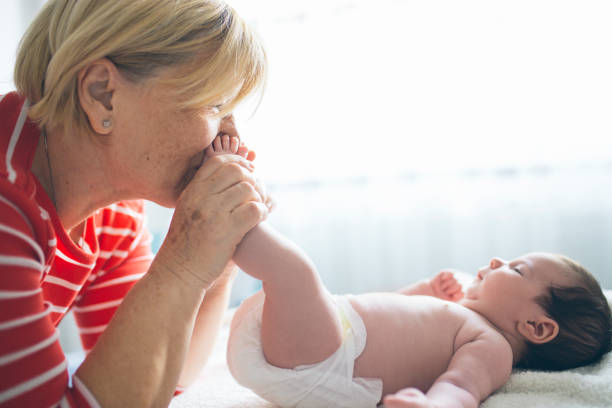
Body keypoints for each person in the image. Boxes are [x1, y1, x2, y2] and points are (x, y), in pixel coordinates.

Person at [0, 1, 272, 407]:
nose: (230, 136)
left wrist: (218, 265)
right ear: (102, 95)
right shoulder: (7, 207)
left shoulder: (113, 213)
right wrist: (182, 262)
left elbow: (149, 379)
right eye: (214, 105)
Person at [205, 139, 612, 408]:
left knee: (293, 271)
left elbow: (461, 388)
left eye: (517, 269)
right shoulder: (458, 316)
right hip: (324, 338)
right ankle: (226, 207)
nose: (495, 262)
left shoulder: (494, 348)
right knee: (292, 277)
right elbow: (387, 315)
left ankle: (222, 194)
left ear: (537, 327)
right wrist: (422, 290)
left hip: (330, 360)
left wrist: (432, 405)